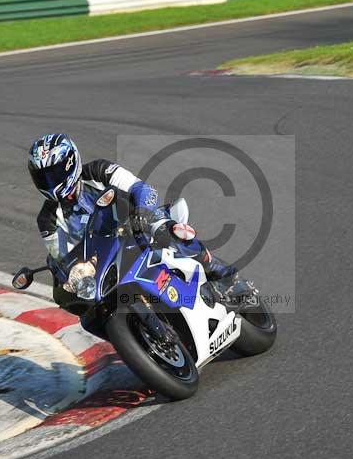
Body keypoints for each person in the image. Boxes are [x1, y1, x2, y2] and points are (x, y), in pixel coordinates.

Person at [27, 133, 243, 324]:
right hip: (104, 260)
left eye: (53, 174)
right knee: (89, 314)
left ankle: (224, 275)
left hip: (137, 227)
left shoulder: (98, 171)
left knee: (168, 231)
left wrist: (141, 214)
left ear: (70, 163)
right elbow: (61, 257)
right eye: (43, 177)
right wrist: (68, 276)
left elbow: (141, 188)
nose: (49, 182)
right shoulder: (47, 219)